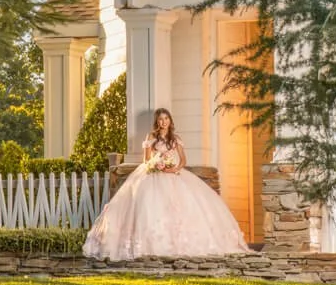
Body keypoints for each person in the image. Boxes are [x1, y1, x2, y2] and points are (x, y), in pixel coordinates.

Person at [82, 107, 249, 260]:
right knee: (148, 206)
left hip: (172, 174)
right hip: (153, 174)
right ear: (157, 122)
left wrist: (173, 168)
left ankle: (178, 244)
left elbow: (183, 160)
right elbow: (146, 159)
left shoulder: (176, 139)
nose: (163, 122)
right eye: (160, 119)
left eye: (166, 118)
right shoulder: (151, 137)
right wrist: (156, 163)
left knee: (180, 207)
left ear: (170, 120)